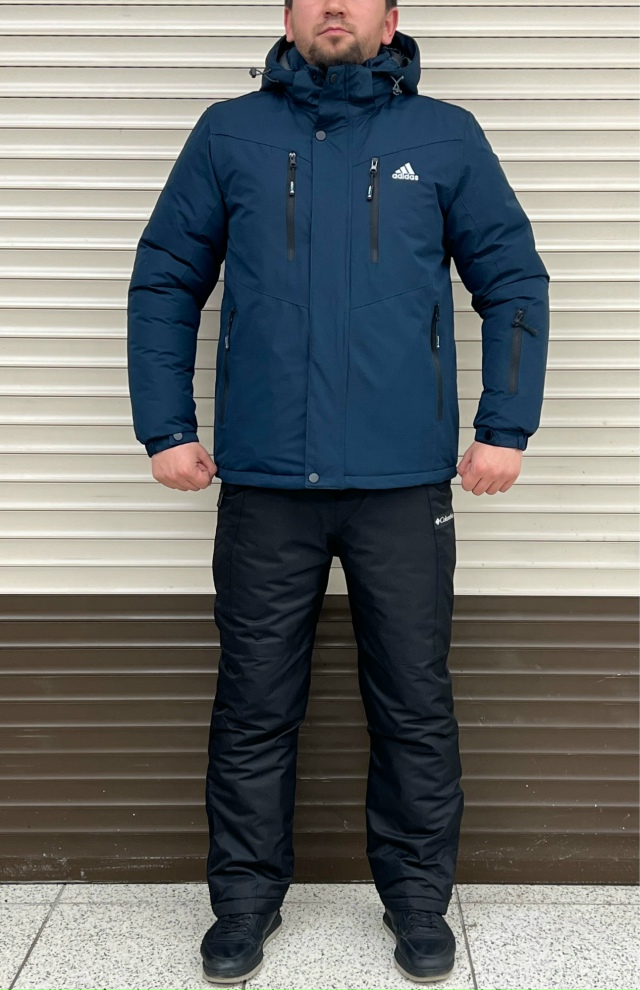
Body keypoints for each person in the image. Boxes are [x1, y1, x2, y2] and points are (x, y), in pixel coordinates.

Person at [127, 0, 550, 982]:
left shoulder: (443, 136)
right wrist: (167, 428)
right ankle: (243, 904)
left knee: (412, 704)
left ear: (389, 18)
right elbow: (165, 281)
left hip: (403, 485)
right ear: (287, 15)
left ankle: (418, 904)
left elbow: (513, 282)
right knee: (253, 705)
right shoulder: (229, 133)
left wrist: (505, 426)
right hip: (266, 484)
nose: (333, 7)